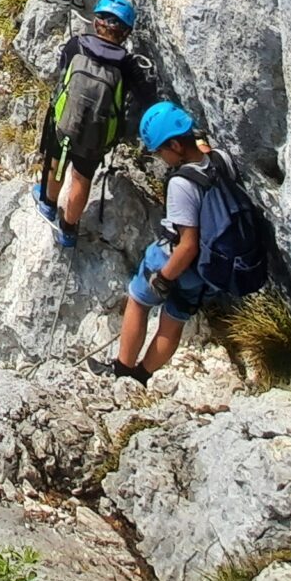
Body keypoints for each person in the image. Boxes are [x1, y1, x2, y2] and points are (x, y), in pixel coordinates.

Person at [104, 102, 224, 381]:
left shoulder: (182, 184)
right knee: (174, 321)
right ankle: (141, 376)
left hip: (174, 258)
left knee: (138, 301)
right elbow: (203, 150)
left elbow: (188, 243)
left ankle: (122, 370)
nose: (160, 157)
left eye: (160, 151)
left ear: (175, 145)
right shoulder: (221, 160)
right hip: (206, 268)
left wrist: (164, 278)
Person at [32, 0, 157, 250]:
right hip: (97, 134)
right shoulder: (127, 65)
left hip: (65, 121)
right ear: (126, 32)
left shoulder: (76, 45)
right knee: (82, 177)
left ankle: (48, 204)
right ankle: (68, 230)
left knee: (56, 162)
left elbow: (62, 74)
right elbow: (146, 99)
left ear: (96, 22)